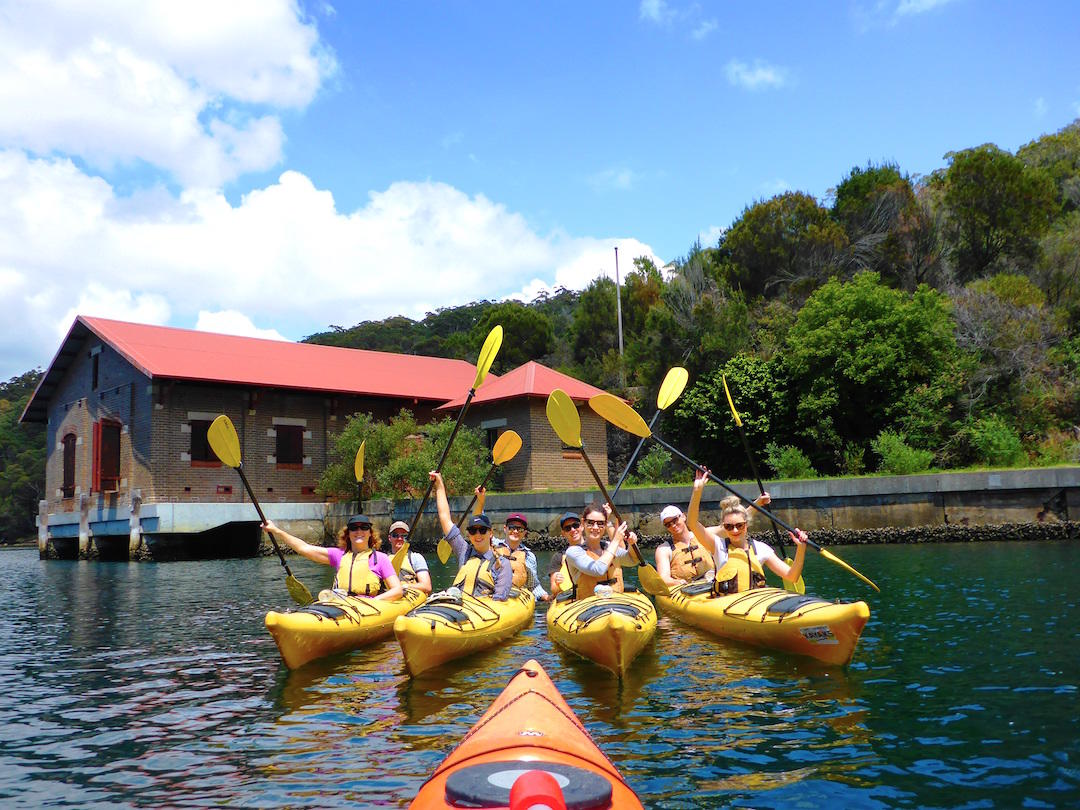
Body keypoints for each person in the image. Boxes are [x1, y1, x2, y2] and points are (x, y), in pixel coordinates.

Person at [686, 469, 807, 594]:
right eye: (729, 527)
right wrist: (697, 491)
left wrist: (801, 548)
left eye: (739, 525)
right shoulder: (717, 546)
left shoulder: (761, 549)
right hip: (726, 605)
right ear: (723, 527)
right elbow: (692, 523)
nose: (735, 530)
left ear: (747, 524)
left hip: (754, 605)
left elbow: (792, 576)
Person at [262, 514, 403, 600]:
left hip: (368, 607)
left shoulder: (380, 558)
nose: (359, 531)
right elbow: (304, 548)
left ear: (370, 533)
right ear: (348, 534)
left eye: (364, 527)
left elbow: (397, 590)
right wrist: (276, 530)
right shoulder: (339, 555)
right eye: (354, 528)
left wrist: (375, 601)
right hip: (340, 604)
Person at [431, 471, 512, 601]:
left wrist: (480, 502)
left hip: (483, 614)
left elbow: (500, 600)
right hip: (458, 607)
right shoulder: (464, 551)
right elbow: (445, 518)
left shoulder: (502, 563)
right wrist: (440, 486)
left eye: (482, 530)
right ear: (468, 534)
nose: (478, 535)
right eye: (473, 531)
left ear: (490, 533)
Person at [549, 503, 640, 600]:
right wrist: (616, 540)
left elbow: (632, 560)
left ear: (605, 525)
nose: (595, 527)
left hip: (616, 603)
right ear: (583, 523)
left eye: (600, 523)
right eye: (591, 523)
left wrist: (632, 544)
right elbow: (598, 569)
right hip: (589, 608)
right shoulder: (573, 551)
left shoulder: (608, 546)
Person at [474, 488, 551, 602]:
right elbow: (480, 522)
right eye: (512, 527)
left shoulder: (529, 556)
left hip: (516, 597)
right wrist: (480, 501)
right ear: (505, 529)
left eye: (519, 529)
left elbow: (534, 585)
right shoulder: (492, 544)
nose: (515, 531)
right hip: (489, 593)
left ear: (524, 533)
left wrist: (547, 597)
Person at [654, 502, 715, 588]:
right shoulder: (663, 549)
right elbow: (664, 578)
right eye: (668, 524)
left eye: (675, 520)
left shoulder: (704, 535)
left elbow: (727, 529)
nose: (673, 525)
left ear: (683, 516)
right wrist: (677, 582)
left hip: (710, 582)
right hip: (685, 590)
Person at [386, 519, 432, 594]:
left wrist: (405, 586)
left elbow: (427, 586)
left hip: (409, 598)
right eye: (395, 535)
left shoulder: (415, 558)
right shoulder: (382, 559)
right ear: (389, 538)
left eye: (404, 536)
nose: (399, 539)